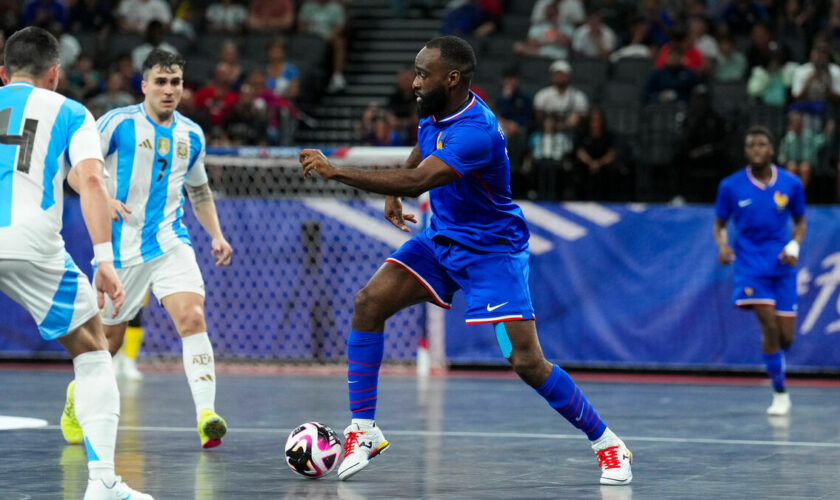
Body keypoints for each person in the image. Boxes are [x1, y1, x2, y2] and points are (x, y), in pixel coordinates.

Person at [299, 35, 632, 485]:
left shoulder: (476, 131)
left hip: (493, 251)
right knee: (369, 302)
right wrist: (394, 189)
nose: (414, 82)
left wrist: (338, 170)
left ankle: (607, 443)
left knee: (527, 363)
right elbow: (422, 149)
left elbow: (421, 179)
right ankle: (364, 427)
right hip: (442, 240)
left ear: (451, 78)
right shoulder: (435, 108)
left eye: (423, 74)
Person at [0, 26, 150, 500]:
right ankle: (103, 481)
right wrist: (104, 259)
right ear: (55, 75)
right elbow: (89, 180)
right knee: (92, 347)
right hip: (29, 243)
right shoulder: (71, 111)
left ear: (3, 73)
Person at [62, 49, 234, 449]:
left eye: (175, 82)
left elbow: (200, 189)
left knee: (192, 317)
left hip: (170, 241)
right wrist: (101, 196)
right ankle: (75, 399)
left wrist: (216, 234)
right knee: (107, 344)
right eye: (160, 81)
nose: (169, 89)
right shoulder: (116, 123)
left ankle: (206, 415)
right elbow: (74, 173)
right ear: (144, 85)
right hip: (118, 250)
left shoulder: (191, 135)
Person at [713, 125, 806, 417]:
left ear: (771, 149)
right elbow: (719, 225)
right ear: (746, 150)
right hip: (750, 264)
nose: (756, 149)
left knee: (785, 337)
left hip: (782, 265)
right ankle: (780, 393)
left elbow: (800, 223)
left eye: (762, 144)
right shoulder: (730, 186)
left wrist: (794, 245)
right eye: (751, 144)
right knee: (767, 323)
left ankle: (777, 367)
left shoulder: (791, 183)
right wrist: (723, 247)